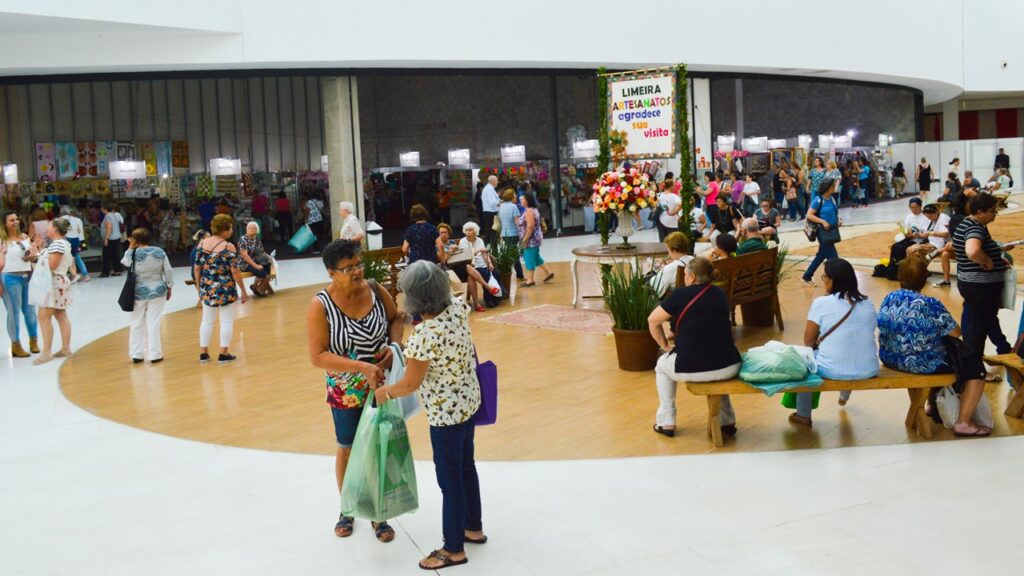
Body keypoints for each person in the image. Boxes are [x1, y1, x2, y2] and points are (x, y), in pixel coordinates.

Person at [372, 261, 485, 570]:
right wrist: (403, 351)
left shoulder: (424, 334)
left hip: (445, 416)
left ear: (415, 297)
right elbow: (433, 354)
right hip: (467, 403)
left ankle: (453, 549)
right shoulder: (459, 309)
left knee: (450, 481)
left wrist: (384, 393)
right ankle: (473, 528)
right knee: (466, 468)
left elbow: (410, 383)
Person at [306, 239, 405, 543]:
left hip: (379, 385)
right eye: (348, 268)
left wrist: (394, 345)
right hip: (346, 387)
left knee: (378, 446)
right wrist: (360, 367)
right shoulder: (320, 305)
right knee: (348, 446)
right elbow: (318, 355)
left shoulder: (375, 289)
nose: (357, 271)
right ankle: (348, 508)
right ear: (331, 273)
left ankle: (378, 512)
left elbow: (396, 318)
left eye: (358, 264)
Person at [878, 258, 991, 436]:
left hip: (891, 358)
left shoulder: (888, 298)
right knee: (974, 368)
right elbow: (955, 333)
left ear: (900, 277)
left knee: (937, 353)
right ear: (925, 280)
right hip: (919, 363)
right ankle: (963, 422)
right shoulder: (929, 304)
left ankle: (932, 405)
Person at [647, 257, 743, 438]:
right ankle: (727, 421)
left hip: (692, 367)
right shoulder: (720, 294)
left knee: (661, 366)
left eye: (685, 275)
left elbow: (653, 320)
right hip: (729, 365)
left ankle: (666, 421)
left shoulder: (679, 295)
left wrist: (665, 346)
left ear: (691, 277)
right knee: (716, 365)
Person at [790, 259, 878, 426]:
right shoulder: (868, 302)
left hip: (833, 370)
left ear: (831, 280)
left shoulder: (821, 303)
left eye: (823, 277)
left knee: (804, 359)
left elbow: (808, 341)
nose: (823, 281)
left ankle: (803, 414)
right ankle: (844, 395)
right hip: (868, 368)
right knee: (851, 346)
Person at [952, 193, 1013, 373]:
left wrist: (997, 252)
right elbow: (972, 251)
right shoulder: (975, 228)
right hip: (980, 287)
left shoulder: (968, 224)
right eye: (992, 211)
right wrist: (987, 261)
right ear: (979, 212)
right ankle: (973, 371)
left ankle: (997, 351)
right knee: (976, 330)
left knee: (981, 321)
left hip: (973, 285)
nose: (995, 214)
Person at [193, 214, 248, 364]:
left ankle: (203, 353)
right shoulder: (228, 246)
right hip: (225, 288)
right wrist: (243, 289)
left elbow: (197, 268)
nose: (231, 230)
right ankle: (223, 353)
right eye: (230, 227)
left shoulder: (202, 244)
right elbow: (235, 271)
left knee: (206, 321)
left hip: (207, 286)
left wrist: (199, 286)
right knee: (226, 321)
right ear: (225, 230)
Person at [121, 227, 173, 363]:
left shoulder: (133, 253)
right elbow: (168, 270)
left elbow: (125, 263)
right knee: (154, 321)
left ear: (134, 240)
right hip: (158, 289)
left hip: (138, 291)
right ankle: (155, 354)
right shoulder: (159, 251)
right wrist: (169, 286)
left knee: (136, 322)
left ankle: (136, 353)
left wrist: (130, 248)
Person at [33, 218, 78, 365]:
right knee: (60, 314)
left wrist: (38, 255)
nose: (47, 229)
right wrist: (40, 251)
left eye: (49, 226)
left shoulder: (57, 244)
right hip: (60, 281)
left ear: (55, 229)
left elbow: (52, 264)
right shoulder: (63, 243)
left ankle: (46, 352)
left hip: (53, 283)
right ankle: (65, 348)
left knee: (43, 316)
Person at [1, 211, 39, 358]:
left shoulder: (24, 237)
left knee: (30, 311)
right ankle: (16, 345)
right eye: (11, 220)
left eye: (16, 219)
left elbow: (33, 257)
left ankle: (33, 340)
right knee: (14, 312)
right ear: (4, 223)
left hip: (27, 277)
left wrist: (32, 255)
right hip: (9, 279)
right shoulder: (2, 240)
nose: (16, 222)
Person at [801, 177, 841, 287]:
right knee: (834, 258)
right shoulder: (818, 200)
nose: (834, 187)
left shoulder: (832, 199)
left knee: (821, 255)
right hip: (822, 232)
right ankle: (837, 281)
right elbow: (809, 215)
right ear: (828, 187)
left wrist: (838, 220)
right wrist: (822, 221)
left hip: (831, 230)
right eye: (833, 185)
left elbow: (834, 213)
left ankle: (807, 276)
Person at [458, 222, 499, 311]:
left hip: (483, 263)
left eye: (470, 230)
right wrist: (477, 251)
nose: (468, 232)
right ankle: (489, 300)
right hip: (473, 266)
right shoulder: (463, 241)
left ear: (475, 231)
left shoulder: (480, 240)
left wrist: (490, 263)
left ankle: (496, 298)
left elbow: (485, 254)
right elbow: (466, 257)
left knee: (495, 273)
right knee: (485, 275)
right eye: (466, 230)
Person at [517, 193, 554, 287]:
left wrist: (525, 240)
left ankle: (530, 280)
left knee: (528, 257)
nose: (521, 200)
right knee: (536, 257)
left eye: (522, 199)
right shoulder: (533, 210)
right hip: (535, 238)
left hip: (530, 239)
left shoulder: (529, 211)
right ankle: (548, 272)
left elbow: (530, 226)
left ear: (527, 201)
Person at [918, 204, 954, 287]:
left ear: (937, 212)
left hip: (945, 244)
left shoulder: (943, 218)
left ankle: (920, 274)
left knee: (916, 251)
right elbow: (925, 232)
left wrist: (931, 233)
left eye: (931, 215)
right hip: (937, 243)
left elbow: (945, 233)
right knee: (911, 250)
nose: (929, 217)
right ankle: (921, 273)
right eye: (927, 216)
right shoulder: (932, 220)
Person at [649, 232, 693, 297]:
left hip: (672, 298)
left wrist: (653, 276)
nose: (668, 252)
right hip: (690, 295)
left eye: (668, 249)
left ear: (674, 251)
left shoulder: (670, 268)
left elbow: (659, 290)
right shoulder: (693, 259)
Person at [238, 221, 274, 297]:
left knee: (268, 266)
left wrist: (269, 258)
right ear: (246, 229)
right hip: (244, 263)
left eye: (253, 228)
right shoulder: (243, 239)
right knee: (262, 273)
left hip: (255, 261)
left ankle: (257, 288)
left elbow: (261, 252)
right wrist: (256, 266)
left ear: (257, 231)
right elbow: (245, 256)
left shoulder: (257, 240)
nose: (251, 229)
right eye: (249, 228)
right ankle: (257, 288)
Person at [496, 190, 524, 280]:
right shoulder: (514, 207)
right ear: (511, 196)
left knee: (511, 253)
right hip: (513, 233)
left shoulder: (501, 207)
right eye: (515, 195)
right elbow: (517, 222)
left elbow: (499, 221)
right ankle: (520, 275)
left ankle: (515, 274)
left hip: (504, 234)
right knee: (514, 255)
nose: (516, 196)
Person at [60, 206, 90, 282]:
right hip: (78, 239)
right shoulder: (77, 219)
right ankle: (80, 274)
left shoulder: (63, 219)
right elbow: (79, 230)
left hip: (69, 240)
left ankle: (75, 275)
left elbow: (66, 231)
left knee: (72, 258)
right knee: (76, 257)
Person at [99, 203, 125, 278]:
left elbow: (109, 227)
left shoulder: (107, 216)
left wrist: (106, 238)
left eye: (102, 208)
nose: (101, 209)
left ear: (105, 209)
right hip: (116, 237)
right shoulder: (114, 214)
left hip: (110, 238)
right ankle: (118, 270)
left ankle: (105, 272)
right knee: (114, 254)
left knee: (106, 255)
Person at [480, 175, 500, 244]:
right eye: (497, 181)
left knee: (490, 230)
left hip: (489, 212)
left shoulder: (489, 188)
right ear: (493, 181)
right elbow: (493, 202)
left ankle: (489, 245)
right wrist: (501, 203)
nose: (497, 182)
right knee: (492, 230)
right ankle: (490, 246)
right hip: (490, 212)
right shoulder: (489, 189)